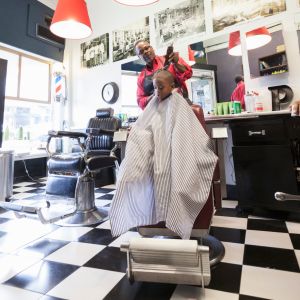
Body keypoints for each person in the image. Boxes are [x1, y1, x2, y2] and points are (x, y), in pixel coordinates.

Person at [109, 70, 218, 239]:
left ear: (172, 86)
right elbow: (143, 128)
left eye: (161, 88)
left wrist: (167, 150)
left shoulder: (179, 104)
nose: (157, 92)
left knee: (171, 174)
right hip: (154, 151)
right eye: (154, 88)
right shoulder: (153, 104)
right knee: (129, 174)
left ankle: (177, 221)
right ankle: (148, 220)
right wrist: (138, 135)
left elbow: (184, 134)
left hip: (179, 152)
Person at [135, 40, 193, 110]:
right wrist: (154, 95)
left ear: (152, 48)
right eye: (141, 52)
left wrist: (176, 64)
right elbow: (140, 101)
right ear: (139, 57)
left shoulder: (169, 60)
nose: (146, 52)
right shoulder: (141, 77)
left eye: (147, 48)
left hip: (178, 107)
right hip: (157, 112)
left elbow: (188, 73)